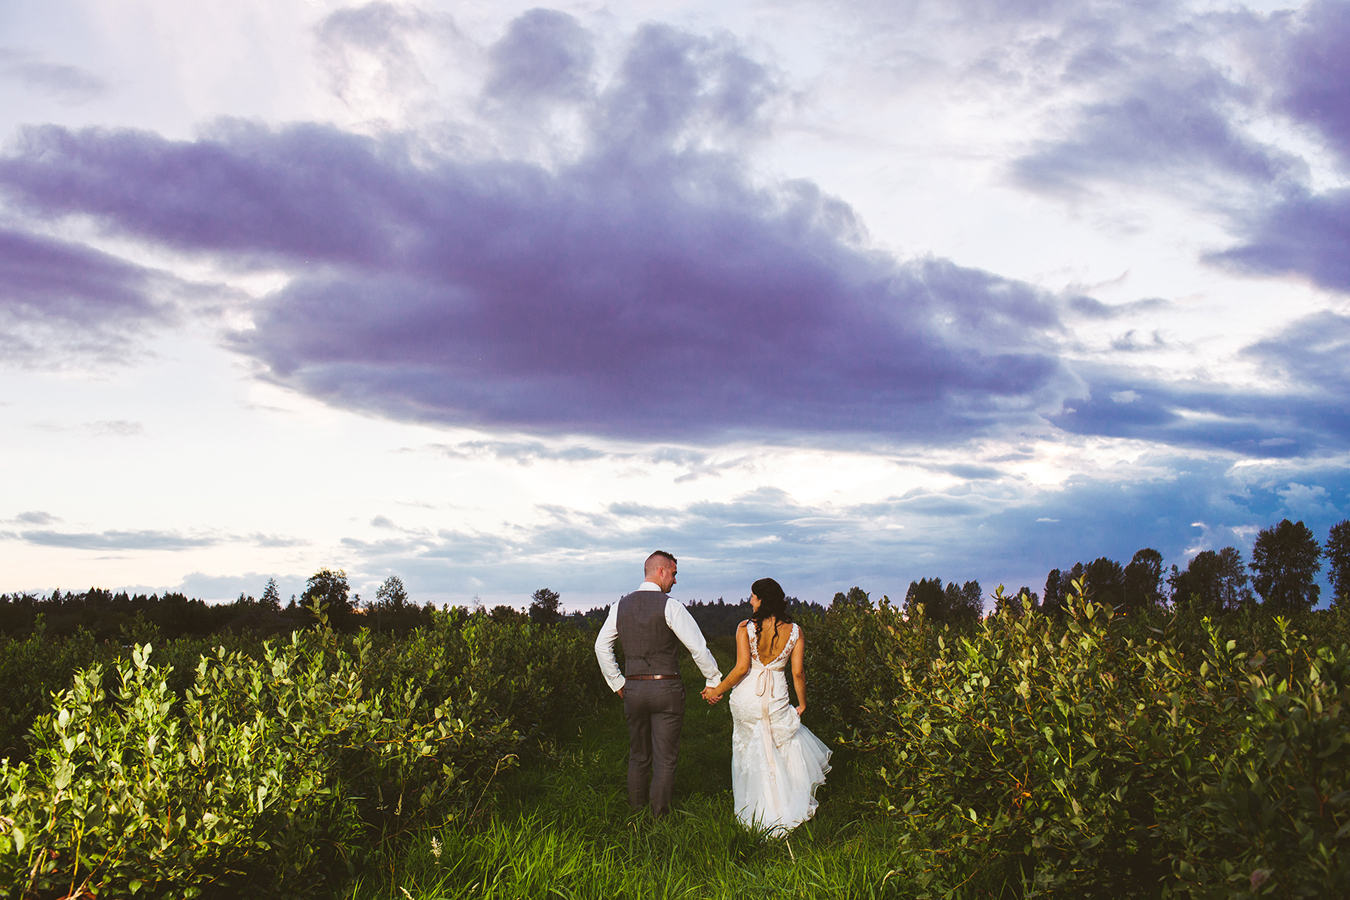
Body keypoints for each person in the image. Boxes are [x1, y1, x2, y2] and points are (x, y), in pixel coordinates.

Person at [595, 550, 722, 818]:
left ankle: (635, 816)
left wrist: (618, 683)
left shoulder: (619, 607)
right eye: (674, 574)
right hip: (666, 690)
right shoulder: (671, 606)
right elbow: (698, 649)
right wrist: (713, 680)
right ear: (661, 571)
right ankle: (659, 818)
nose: (675, 581)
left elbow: (601, 647)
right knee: (665, 758)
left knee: (638, 755)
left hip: (633, 690)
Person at [702, 577, 831, 834]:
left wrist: (717, 690)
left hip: (747, 699)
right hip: (776, 698)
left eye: (753, 596)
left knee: (748, 750)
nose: (750, 600)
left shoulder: (744, 628)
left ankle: (754, 809)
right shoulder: (795, 631)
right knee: (781, 748)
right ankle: (784, 805)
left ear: (762, 600)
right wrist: (802, 704)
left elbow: (741, 669)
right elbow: (797, 673)